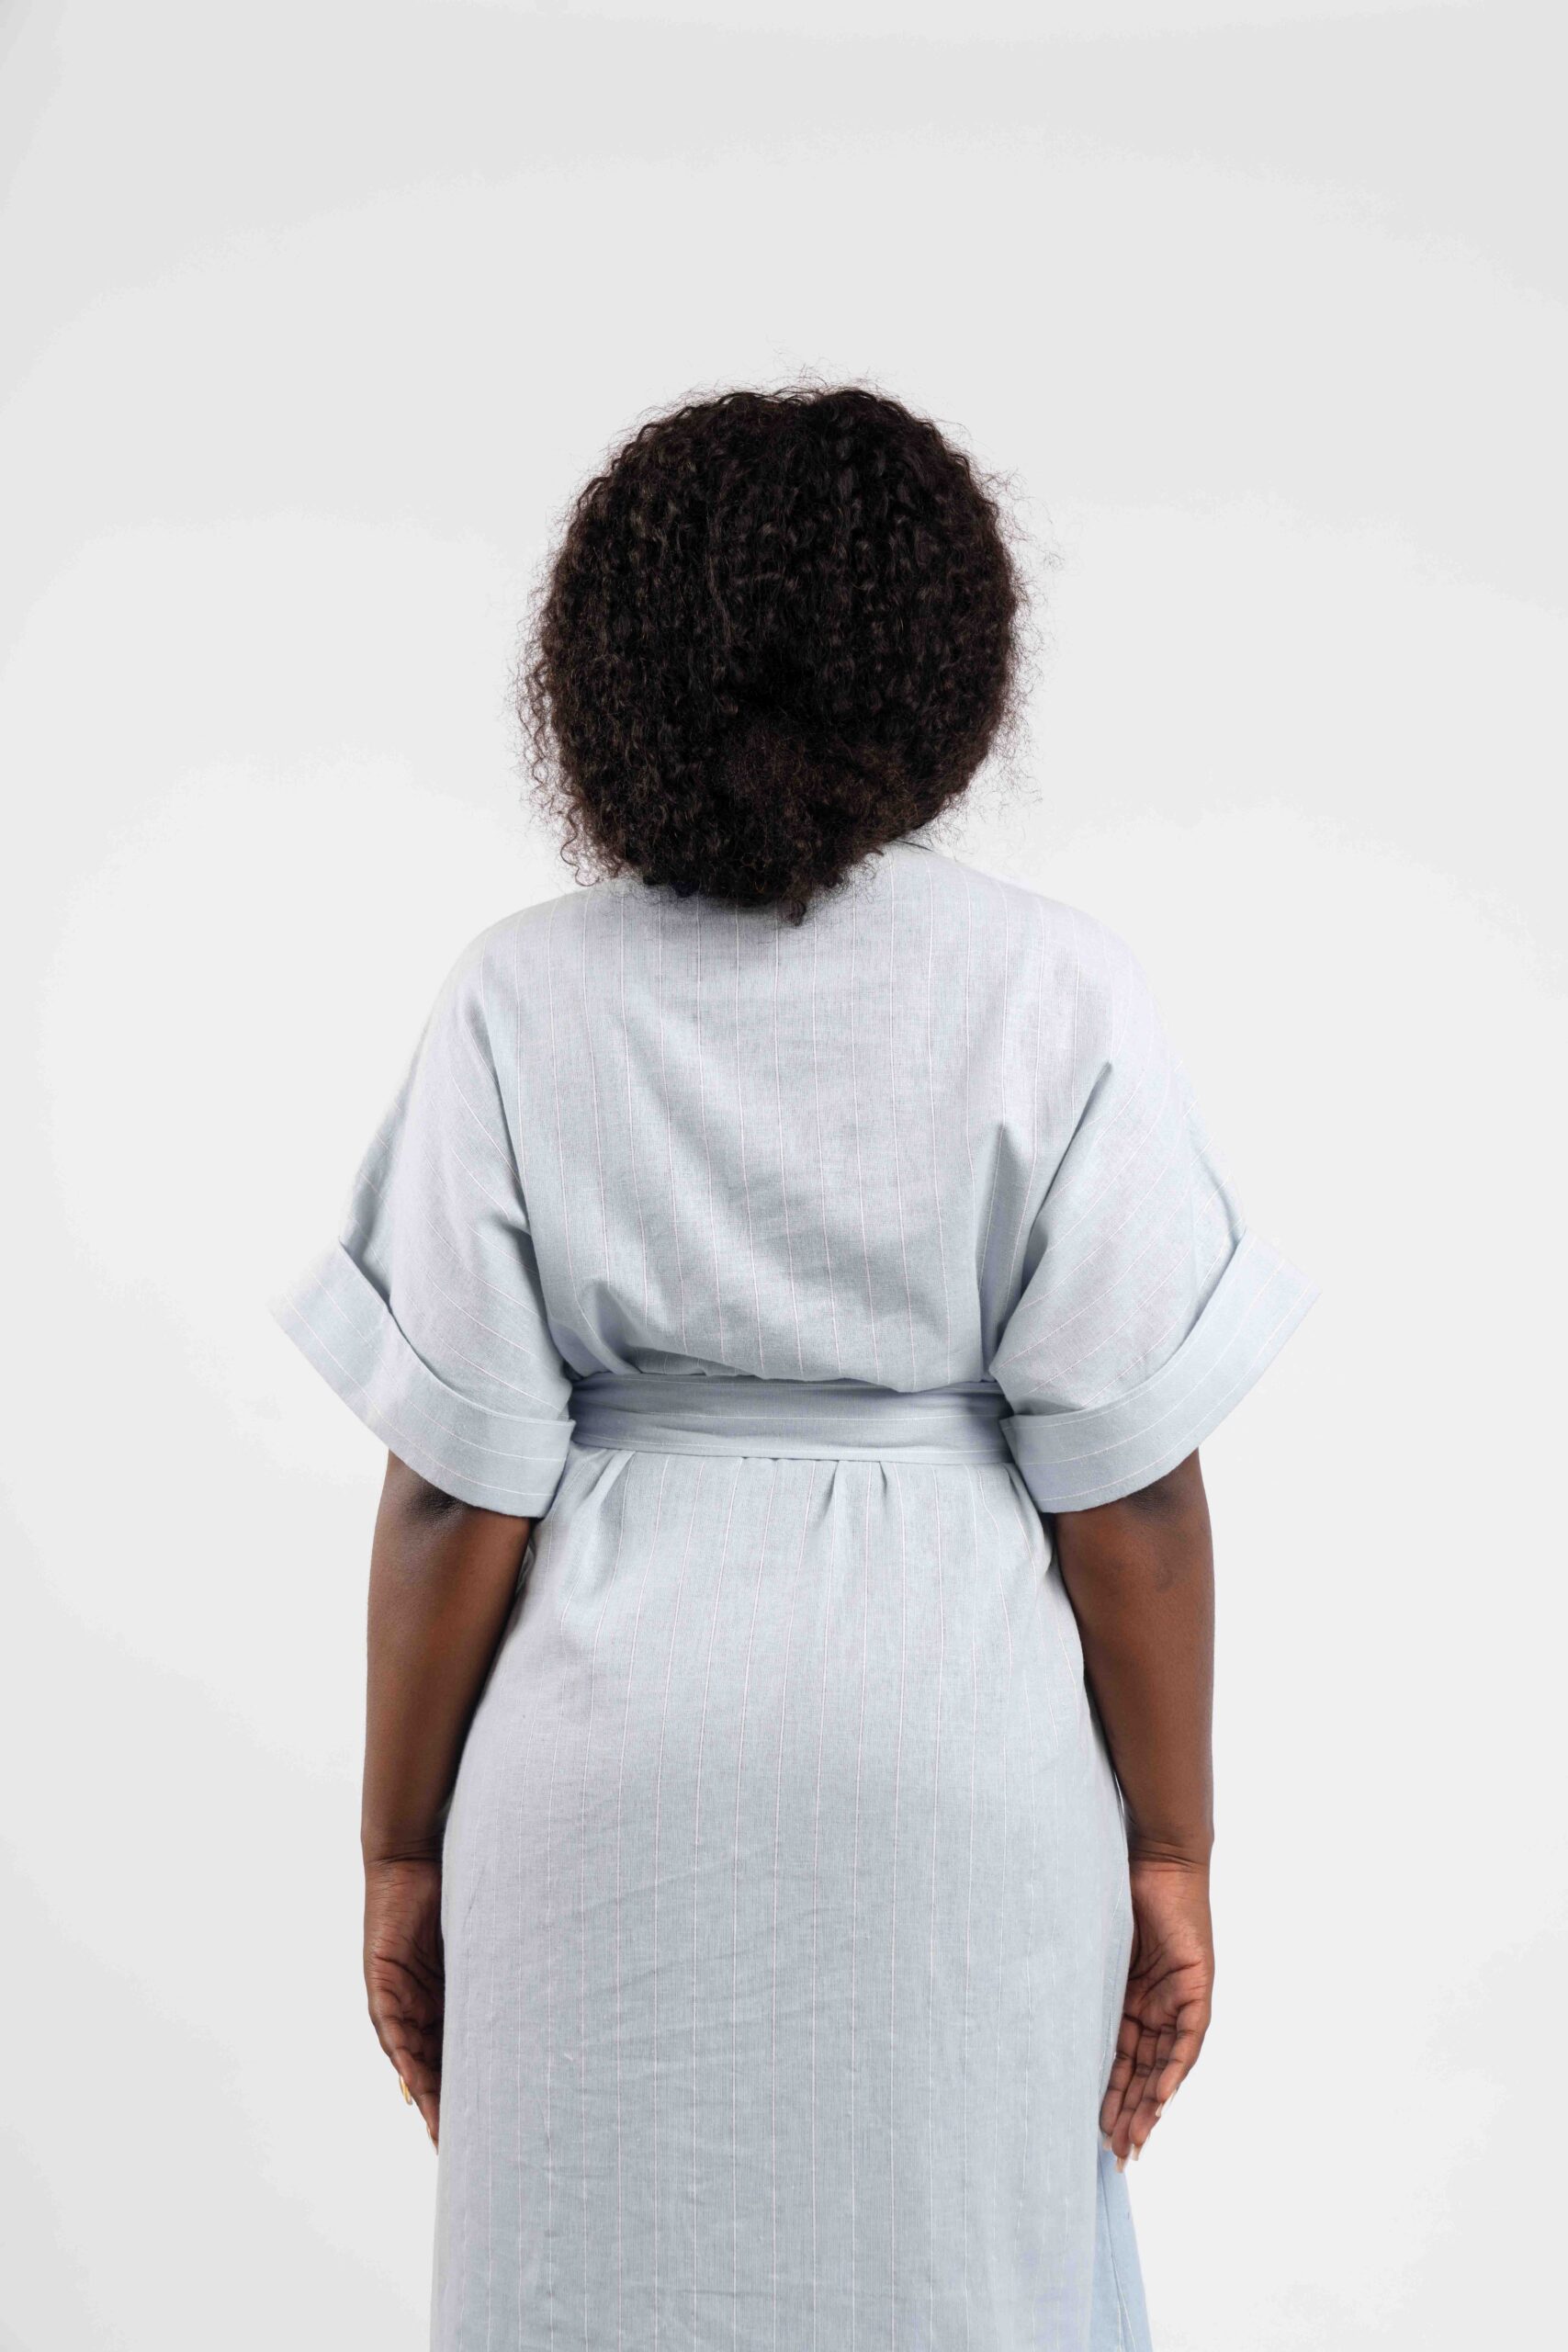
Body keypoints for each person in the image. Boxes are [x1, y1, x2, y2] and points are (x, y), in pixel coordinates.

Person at [271, 385, 1316, 2352]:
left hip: (597, 1766)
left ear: (611, 669)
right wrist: (1170, 1850)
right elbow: (1134, 1501)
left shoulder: (522, 996)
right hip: (961, 1755)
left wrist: (402, 1851)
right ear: (943, 662)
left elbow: (449, 1496)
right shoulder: (1053, 989)